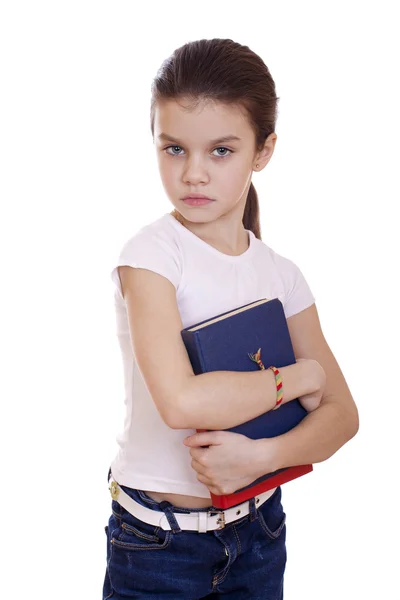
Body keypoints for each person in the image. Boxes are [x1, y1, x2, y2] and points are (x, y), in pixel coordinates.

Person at [103, 38, 359, 599]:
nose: (193, 174)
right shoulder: (150, 256)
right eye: (174, 149)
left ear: (263, 151)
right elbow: (182, 403)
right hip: (156, 543)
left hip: (261, 534)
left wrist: (261, 458)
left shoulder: (281, 274)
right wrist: (300, 379)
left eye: (221, 150)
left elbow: (343, 418)